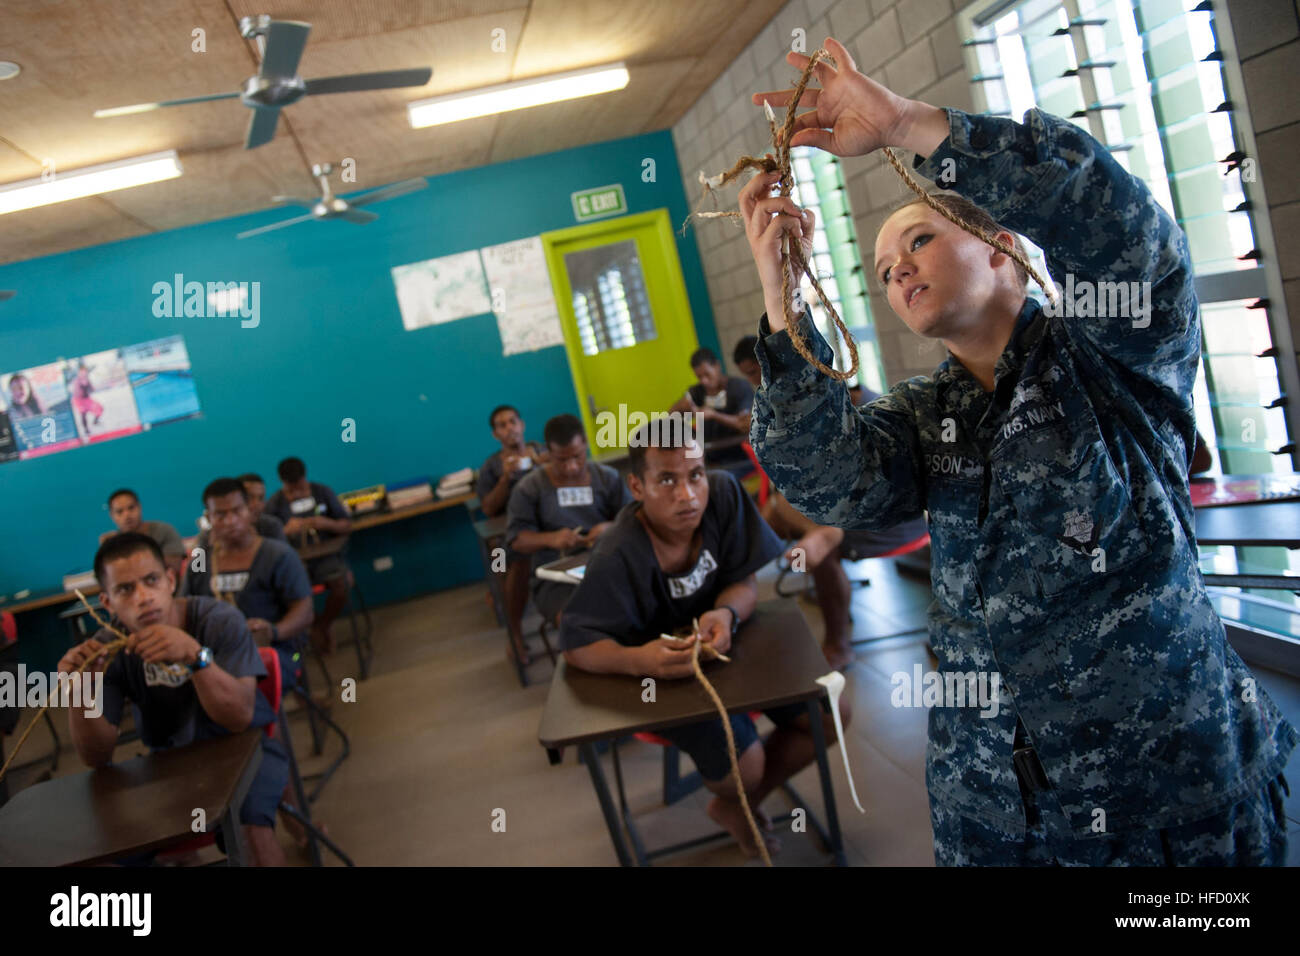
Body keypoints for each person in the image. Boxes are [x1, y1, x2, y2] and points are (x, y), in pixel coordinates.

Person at [743, 38, 1295, 865]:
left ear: (1002, 249)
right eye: (885, 269)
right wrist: (781, 299)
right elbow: (831, 482)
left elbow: (1117, 229)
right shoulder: (929, 416)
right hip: (997, 809)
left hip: (1164, 798)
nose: (898, 272)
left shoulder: (1115, 360)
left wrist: (905, 123)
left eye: (920, 243)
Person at [559, 420, 849, 858]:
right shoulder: (618, 553)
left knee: (833, 714)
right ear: (637, 486)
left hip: (727, 652)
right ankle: (742, 796)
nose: (688, 495)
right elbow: (577, 645)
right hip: (662, 681)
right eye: (667, 480)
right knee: (744, 767)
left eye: (694, 475)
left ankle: (739, 807)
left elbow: (744, 582)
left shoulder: (725, 494)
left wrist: (726, 613)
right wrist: (642, 661)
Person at [60, 532, 290, 866]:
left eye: (151, 580)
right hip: (168, 764)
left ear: (170, 580)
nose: (143, 597)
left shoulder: (217, 620)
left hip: (244, 749)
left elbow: (239, 717)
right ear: (107, 602)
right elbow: (96, 757)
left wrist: (196, 657)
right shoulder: (106, 650)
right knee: (107, 849)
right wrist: (78, 692)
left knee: (250, 833)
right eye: (125, 589)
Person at [739, 337, 929, 667]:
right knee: (789, 510)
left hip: (887, 521)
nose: (758, 382)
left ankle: (838, 642)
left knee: (813, 534)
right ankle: (798, 543)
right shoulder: (821, 407)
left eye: (760, 372)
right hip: (852, 515)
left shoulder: (857, 408)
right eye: (751, 375)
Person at [181, 478, 313, 692]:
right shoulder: (200, 558)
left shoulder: (277, 554)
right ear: (208, 518)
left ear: (250, 512)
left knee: (246, 687)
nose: (230, 520)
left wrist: (274, 631)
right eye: (220, 514)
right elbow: (183, 604)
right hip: (215, 654)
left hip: (274, 650)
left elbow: (305, 611)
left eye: (237, 511)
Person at [505, 414, 630, 633]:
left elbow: (634, 518)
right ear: (547, 454)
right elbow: (516, 540)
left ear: (587, 445)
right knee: (576, 625)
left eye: (577, 456)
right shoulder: (529, 488)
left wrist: (610, 528)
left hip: (607, 563)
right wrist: (551, 538)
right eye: (561, 460)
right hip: (554, 575)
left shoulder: (607, 478)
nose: (571, 467)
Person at [477, 405, 548, 663]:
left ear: (522, 425)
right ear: (496, 434)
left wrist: (545, 465)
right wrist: (505, 479)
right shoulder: (492, 467)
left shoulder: (542, 452)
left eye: (512, 422)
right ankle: (515, 634)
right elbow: (487, 508)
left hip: (547, 525)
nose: (509, 429)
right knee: (511, 559)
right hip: (508, 535)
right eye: (502, 426)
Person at [264, 457, 352, 654]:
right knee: (291, 598)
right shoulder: (275, 505)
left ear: (305, 478)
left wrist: (326, 524)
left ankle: (322, 625)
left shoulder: (322, 492)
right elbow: (266, 544)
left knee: (343, 583)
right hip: (294, 564)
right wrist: (285, 531)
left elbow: (346, 525)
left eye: (300, 487)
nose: (296, 493)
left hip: (326, 558)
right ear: (282, 483)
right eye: (291, 489)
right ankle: (308, 630)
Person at [668, 347, 754, 471]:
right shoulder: (697, 392)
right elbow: (670, 414)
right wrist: (682, 407)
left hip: (741, 459)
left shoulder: (739, 387)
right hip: (711, 459)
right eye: (699, 377)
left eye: (707, 374)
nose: (704, 381)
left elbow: (745, 424)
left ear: (717, 366)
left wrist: (714, 415)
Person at [100, 488, 187, 580]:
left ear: (139, 507)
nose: (127, 515)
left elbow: (174, 566)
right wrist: (106, 552)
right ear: (112, 516)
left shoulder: (164, 530)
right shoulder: (113, 543)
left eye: (131, 508)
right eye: (119, 511)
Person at [195, 473, 286, 549]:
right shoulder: (208, 536)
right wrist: (212, 550)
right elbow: (198, 568)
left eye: (261, 498)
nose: (256, 504)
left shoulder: (271, 526)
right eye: (250, 497)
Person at [70, 363, 103, 433]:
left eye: (85, 372)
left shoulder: (87, 379)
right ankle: (86, 429)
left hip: (86, 399)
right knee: (83, 413)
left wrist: (92, 388)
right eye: (82, 372)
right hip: (78, 400)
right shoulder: (76, 381)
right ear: (79, 373)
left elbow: (92, 389)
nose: (83, 373)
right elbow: (76, 393)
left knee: (100, 407)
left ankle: (95, 421)